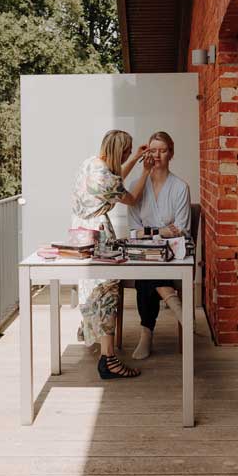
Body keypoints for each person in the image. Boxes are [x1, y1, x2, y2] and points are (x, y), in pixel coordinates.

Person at [71, 129, 155, 379]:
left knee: (92, 290)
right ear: (120, 151)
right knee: (106, 291)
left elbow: (115, 177)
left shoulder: (91, 164)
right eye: (127, 151)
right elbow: (130, 198)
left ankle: (93, 336)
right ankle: (108, 360)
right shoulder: (106, 180)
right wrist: (146, 171)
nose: (129, 154)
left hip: (80, 233)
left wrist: (134, 160)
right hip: (97, 237)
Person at [126, 131, 191, 359]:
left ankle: (146, 335)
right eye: (153, 150)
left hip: (173, 249)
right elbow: (133, 232)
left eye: (163, 150)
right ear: (147, 154)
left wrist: (149, 233)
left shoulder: (180, 187)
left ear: (170, 154)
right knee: (147, 263)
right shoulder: (136, 186)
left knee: (148, 267)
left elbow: (181, 228)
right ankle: (173, 303)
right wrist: (159, 231)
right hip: (146, 250)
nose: (157, 155)